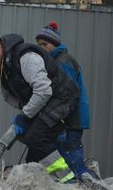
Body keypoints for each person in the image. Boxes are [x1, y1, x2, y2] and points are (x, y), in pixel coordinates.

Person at [0, 32, 79, 183]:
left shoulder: (25, 57)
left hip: (61, 98)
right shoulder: (3, 69)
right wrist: (25, 112)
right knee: (27, 137)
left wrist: (25, 116)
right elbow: (10, 95)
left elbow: (44, 91)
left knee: (36, 137)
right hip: (46, 101)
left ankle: (68, 180)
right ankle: (33, 177)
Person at [36, 22, 93, 180]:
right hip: (69, 117)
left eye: (44, 44)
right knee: (69, 158)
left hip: (72, 118)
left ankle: (88, 182)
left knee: (73, 160)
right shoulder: (57, 61)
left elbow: (69, 94)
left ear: (54, 44)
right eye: (39, 45)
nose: (41, 48)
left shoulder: (63, 62)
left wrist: (59, 116)